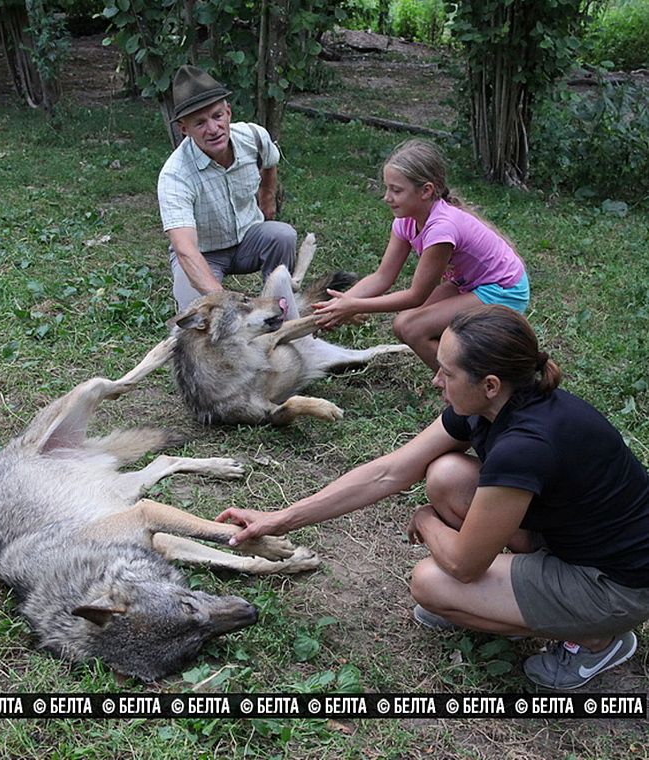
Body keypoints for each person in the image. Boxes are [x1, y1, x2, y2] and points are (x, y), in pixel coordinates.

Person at [217, 305, 649, 689]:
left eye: (448, 372)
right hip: (570, 540)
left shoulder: (525, 445)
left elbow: (464, 563)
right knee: (445, 475)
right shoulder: (495, 406)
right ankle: (516, 605)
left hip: (617, 584)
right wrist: (281, 518)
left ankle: (597, 641)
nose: (435, 380)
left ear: (491, 384)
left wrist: (425, 520)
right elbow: (389, 472)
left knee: (432, 583)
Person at [312, 140, 530, 371]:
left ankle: (465, 387)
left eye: (396, 190)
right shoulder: (405, 222)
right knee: (404, 323)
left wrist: (355, 306)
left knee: (412, 328)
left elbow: (416, 295)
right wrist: (337, 306)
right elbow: (382, 277)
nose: (387, 197)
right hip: (471, 284)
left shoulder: (441, 229)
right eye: (387, 188)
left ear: (426, 191)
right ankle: (471, 368)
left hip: (504, 290)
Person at [157, 64, 297, 312]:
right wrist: (226, 303)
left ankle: (279, 310)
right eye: (199, 123)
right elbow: (185, 250)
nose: (213, 129)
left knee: (283, 235)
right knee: (196, 322)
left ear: (228, 112)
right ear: (183, 129)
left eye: (217, 116)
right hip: (204, 254)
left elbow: (270, 161)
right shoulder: (175, 175)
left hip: (247, 239)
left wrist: (267, 197)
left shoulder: (253, 137)